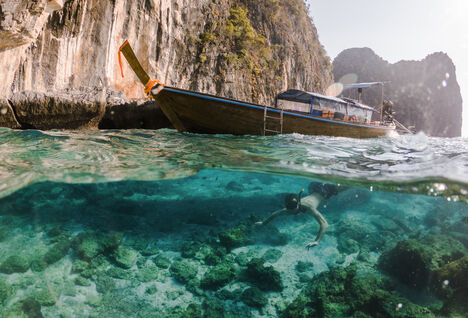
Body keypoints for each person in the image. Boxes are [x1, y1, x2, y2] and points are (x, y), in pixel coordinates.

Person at [256, 182, 339, 249]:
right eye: (289, 209)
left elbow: (325, 224)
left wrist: (317, 241)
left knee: (340, 188)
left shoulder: (308, 208)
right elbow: (275, 214)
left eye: (293, 209)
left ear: (298, 204)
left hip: (325, 192)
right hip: (315, 188)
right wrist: (263, 223)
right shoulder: (289, 208)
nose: (291, 212)